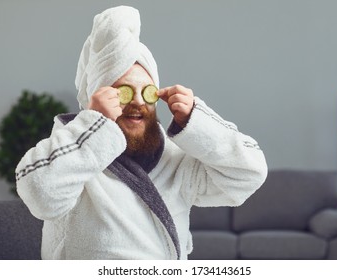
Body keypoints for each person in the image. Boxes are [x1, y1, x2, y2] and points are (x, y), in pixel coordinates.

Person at [15, 6, 267, 260]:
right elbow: (40, 193)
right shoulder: (73, 155)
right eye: (122, 91)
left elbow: (249, 174)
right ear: (98, 99)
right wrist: (94, 125)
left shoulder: (174, 161)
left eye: (147, 91)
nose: (137, 101)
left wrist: (197, 120)